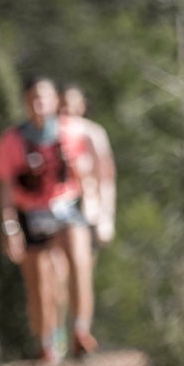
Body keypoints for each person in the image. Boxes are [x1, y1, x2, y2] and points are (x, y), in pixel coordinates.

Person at [0, 77, 99, 362]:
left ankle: (80, 331)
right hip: (31, 214)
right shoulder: (12, 140)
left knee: (79, 259)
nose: (40, 104)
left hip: (66, 207)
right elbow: (5, 187)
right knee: (39, 282)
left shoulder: (70, 133)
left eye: (45, 97)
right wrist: (9, 227)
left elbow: (84, 175)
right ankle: (46, 342)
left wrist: (93, 213)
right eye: (34, 98)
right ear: (25, 101)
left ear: (55, 101)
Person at [60, 86, 117, 247]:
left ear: (82, 105)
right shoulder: (53, 133)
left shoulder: (92, 133)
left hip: (88, 209)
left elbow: (106, 178)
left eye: (69, 103)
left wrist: (106, 218)